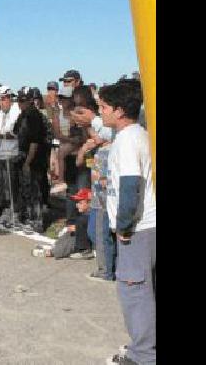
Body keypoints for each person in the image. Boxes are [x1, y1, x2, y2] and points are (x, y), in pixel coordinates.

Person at [98, 79, 155, 365]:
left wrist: (123, 227)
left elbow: (131, 186)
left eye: (104, 107)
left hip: (138, 228)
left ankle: (143, 355)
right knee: (146, 290)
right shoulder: (138, 135)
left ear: (119, 111)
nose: (101, 112)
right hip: (147, 226)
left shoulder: (127, 139)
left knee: (135, 291)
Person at [72, 86, 117, 281]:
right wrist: (87, 145)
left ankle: (107, 270)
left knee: (103, 230)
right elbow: (80, 161)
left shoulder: (111, 130)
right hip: (97, 190)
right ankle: (107, 267)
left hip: (108, 189)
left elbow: (108, 134)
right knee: (96, 230)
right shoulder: (95, 133)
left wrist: (94, 131)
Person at [14, 88, 51, 233]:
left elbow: (35, 142)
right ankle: (27, 217)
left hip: (34, 158)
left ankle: (37, 221)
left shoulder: (34, 116)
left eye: (23, 100)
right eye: (19, 100)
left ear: (30, 100)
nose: (20, 103)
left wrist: (28, 162)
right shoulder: (22, 115)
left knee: (35, 191)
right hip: (23, 155)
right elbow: (16, 132)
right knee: (25, 189)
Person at [0, 86, 22, 227]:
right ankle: (6, 210)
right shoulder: (0, 113)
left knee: (12, 185)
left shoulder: (16, 110)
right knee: (2, 185)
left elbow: (13, 133)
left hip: (13, 153)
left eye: (3, 99)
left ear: (9, 98)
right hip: (1, 153)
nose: (1, 102)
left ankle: (15, 212)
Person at [49, 188, 94, 259]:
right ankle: (55, 248)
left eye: (80, 203)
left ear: (89, 203)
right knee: (70, 232)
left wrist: (78, 229)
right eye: (77, 203)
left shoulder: (91, 216)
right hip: (85, 236)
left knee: (75, 231)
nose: (77, 205)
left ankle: (84, 251)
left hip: (91, 243)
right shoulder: (84, 215)